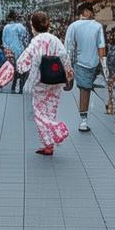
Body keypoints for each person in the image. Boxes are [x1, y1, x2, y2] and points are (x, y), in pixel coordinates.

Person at [15, 11, 72, 155]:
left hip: (40, 82)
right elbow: (64, 56)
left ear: (32, 25)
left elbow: (23, 61)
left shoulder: (36, 41)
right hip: (56, 81)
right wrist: (68, 72)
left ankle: (57, 128)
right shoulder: (55, 39)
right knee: (50, 111)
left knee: (40, 113)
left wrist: (20, 68)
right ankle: (48, 144)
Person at [63, 2, 106, 132]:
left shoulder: (73, 26)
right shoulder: (98, 26)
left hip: (80, 63)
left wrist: (67, 66)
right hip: (96, 63)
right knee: (92, 89)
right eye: (91, 11)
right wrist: (104, 66)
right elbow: (101, 47)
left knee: (84, 90)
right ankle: (85, 118)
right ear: (87, 12)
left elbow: (68, 47)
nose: (92, 14)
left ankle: (83, 120)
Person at [0, 10, 30, 93]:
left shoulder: (6, 27)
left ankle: (12, 85)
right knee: (21, 68)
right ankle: (20, 86)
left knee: (12, 68)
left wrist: (6, 49)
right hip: (19, 50)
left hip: (9, 51)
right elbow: (25, 36)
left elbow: (3, 40)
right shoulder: (19, 26)